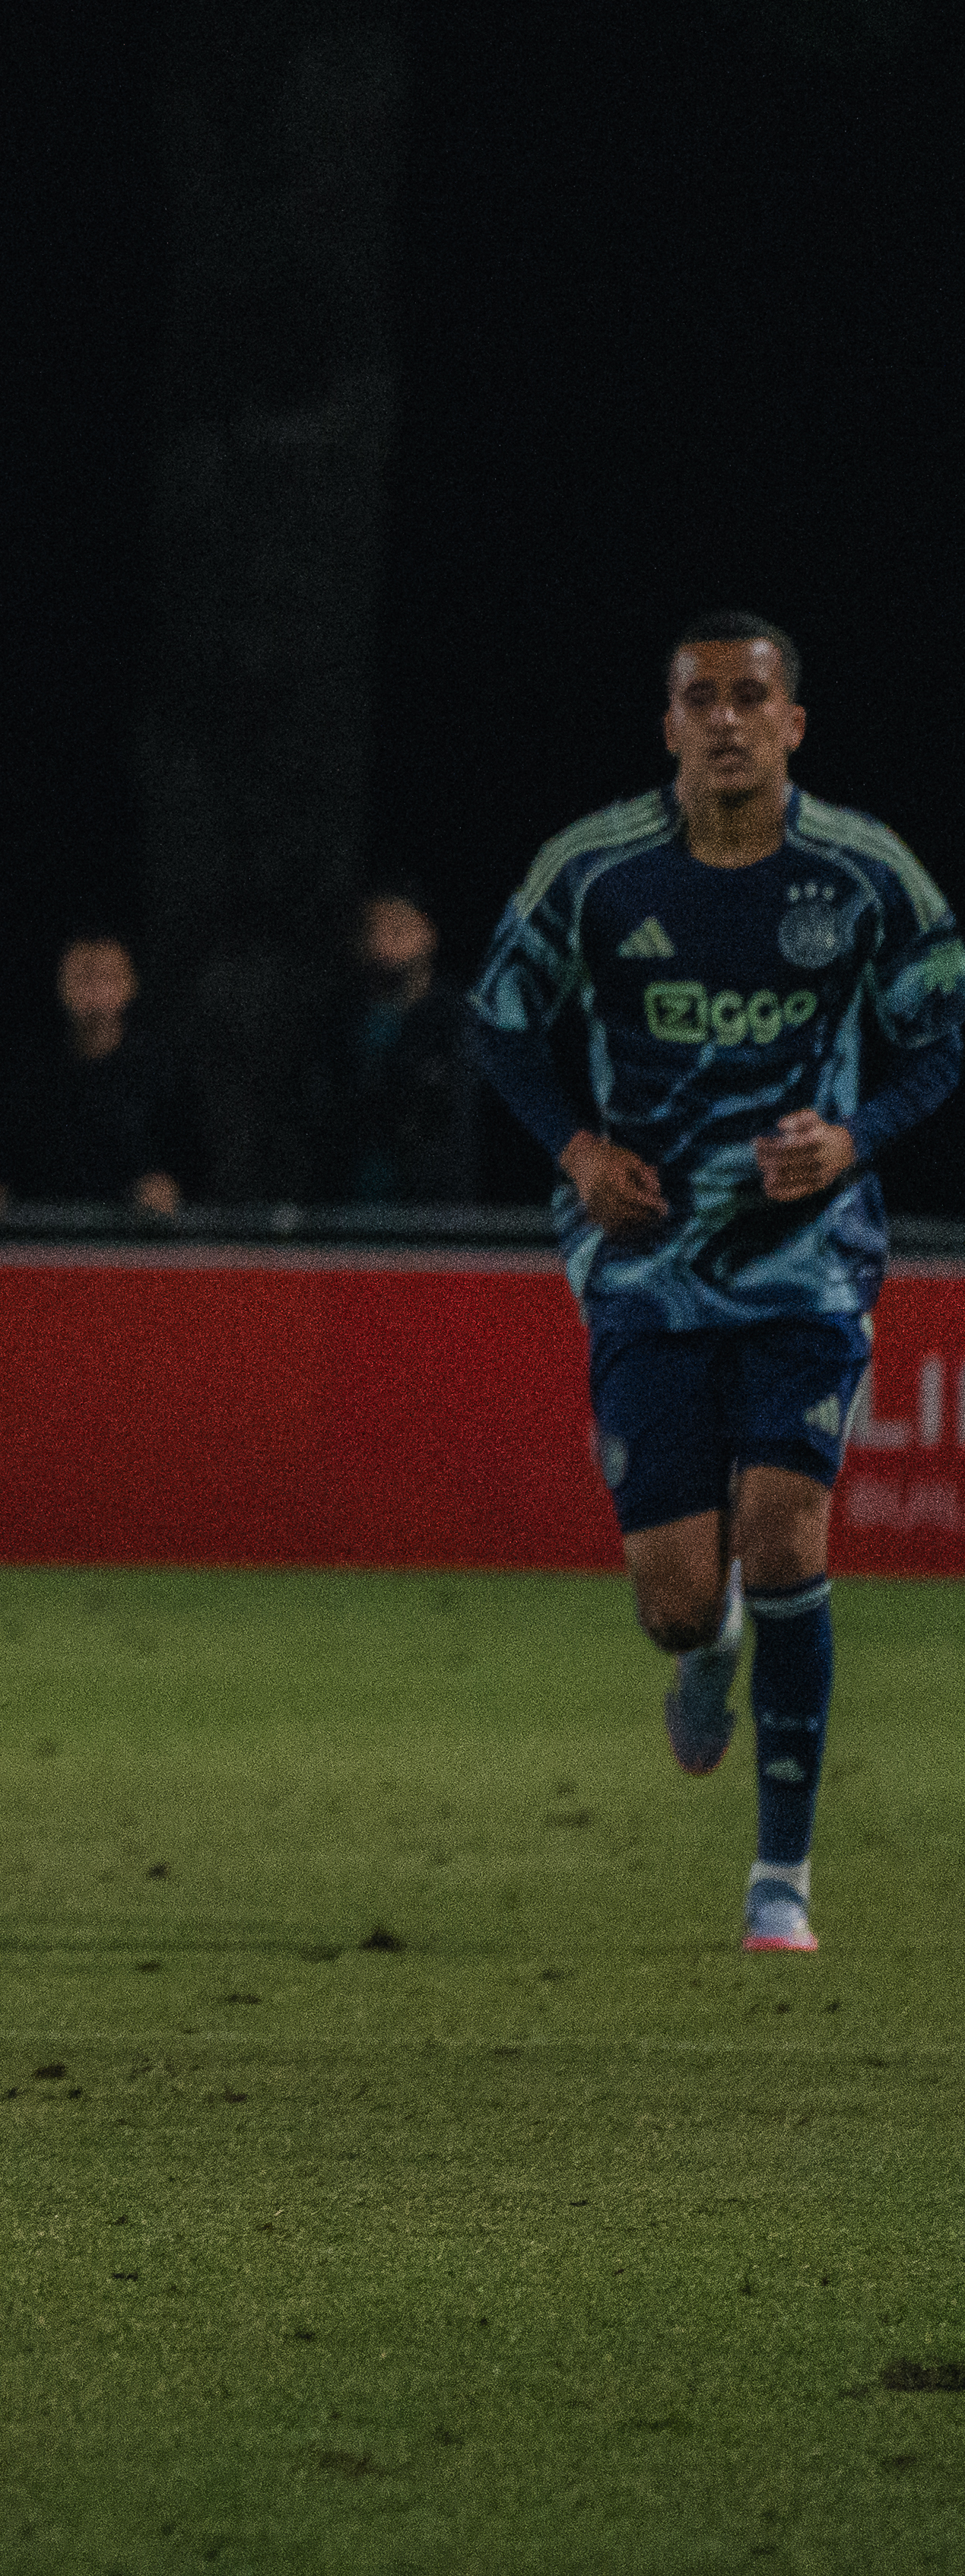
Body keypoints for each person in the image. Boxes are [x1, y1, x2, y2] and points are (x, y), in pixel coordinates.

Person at [465, 613, 959, 1957]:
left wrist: (852, 1139)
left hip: (806, 1263)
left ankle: (778, 1879)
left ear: (792, 722)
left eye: (752, 697)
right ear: (668, 723)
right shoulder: (595, 871)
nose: (727, 719)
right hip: (644, 1266)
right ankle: (708, 1638)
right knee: (679, 1595)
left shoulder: (859, 873)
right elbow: (497, 1018)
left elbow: (943, 1029)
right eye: (701, 698)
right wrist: (576, 1147)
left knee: (787, 1539)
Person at [0, 932, 192, 1216]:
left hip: (132, 1245)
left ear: (130, 985)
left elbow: (189, 1165)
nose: (94, 991)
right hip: (37, 1238)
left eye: (106, 978)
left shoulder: (161, 1071)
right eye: (82, 978)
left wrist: (167, 1188)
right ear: (61, 985)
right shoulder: (28, 1068)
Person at [305, 883, 483, 1207]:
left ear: (428, 932)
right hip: (347, 1204)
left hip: (430, 1209)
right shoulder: (338, 1019)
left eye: (399, 927)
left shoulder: (456, 1018)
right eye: (374, 928)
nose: (384, 939)